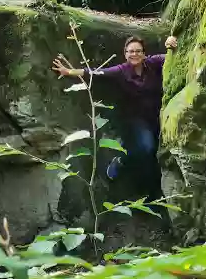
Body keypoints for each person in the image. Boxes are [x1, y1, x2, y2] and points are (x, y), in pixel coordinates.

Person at [52, 35, 178, 201]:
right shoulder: (120, 70)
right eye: (131, 51)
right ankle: (121, 160)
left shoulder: (153, 63)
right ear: (125, 54)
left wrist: (171, 43)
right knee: (147, 148)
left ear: (144, 53)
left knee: (156, 151)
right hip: (135, 118)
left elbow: (171, 56)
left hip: (157, 115)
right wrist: (69, 72)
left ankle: (151, 188)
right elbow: (95, 73)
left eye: (138, 51)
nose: (135, 54)